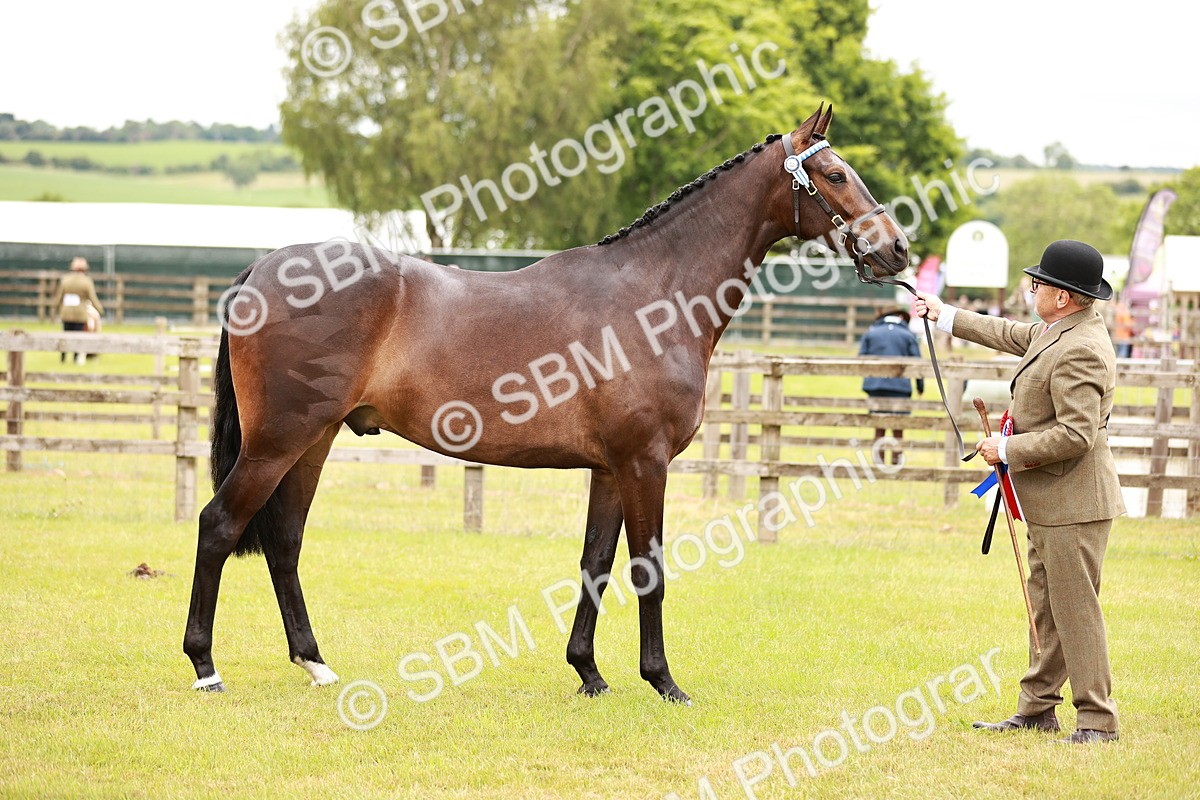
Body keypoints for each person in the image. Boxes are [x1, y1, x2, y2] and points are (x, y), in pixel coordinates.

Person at [914, 239, 1124, 745]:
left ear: (1064, 296)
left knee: (1075, 611)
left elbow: (1077, 435)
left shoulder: (1081, 350)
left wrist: (1007, 449)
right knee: (1045, 610)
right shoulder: (1058, 330)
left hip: (1075, 503)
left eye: (1039, 284)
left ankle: (1097, 720)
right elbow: (1009, 333)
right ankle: (1036, 710)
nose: (1031, 290)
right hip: (1051, 502)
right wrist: (943, 315)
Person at [859, 306, 924, 465]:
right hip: (900, 388)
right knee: (898, 426)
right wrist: (920, 386)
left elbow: (860, 360)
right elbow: (917, 363)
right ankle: (896, 461)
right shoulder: (908, 335)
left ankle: (878, 461)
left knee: (879, 425)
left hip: (876, 386)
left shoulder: (871, 333)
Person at [51, 257, 104, 364]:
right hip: (80, 313)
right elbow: (92, 298)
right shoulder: (86, 281)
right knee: (77, 336)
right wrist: (100, 310)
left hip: (66, 313)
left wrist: (55, 309)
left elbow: (59, 297)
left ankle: (63, 358)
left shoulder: (65, 279)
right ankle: (75, 358)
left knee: (65, 334)